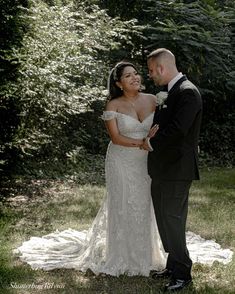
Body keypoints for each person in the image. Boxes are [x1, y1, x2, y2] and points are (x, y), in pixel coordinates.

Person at [14, 60, 233, 278]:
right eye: (129, 76)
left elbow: (169, 127)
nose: (136, 77)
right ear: (119, 83)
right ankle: (122, 255)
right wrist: (145, 142)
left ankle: (149, 256)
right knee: (123, 203)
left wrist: (176, 143)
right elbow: (116, 138)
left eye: (137, 73)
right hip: (122, 160)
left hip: (148, 161)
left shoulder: (155, 99)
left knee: (147, 205)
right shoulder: (113, 105)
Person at [142, 48, 202, 291]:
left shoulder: (188, 93)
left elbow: (178, 130)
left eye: (150, 71)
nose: (150, 76)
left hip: (178, 169)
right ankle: (172, 264)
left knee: (173, 220)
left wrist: (150, 142)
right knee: (163, 218)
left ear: (161, 68)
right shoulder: (169, 92)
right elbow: (160, 125)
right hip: (162, 168)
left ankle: (183, 273)